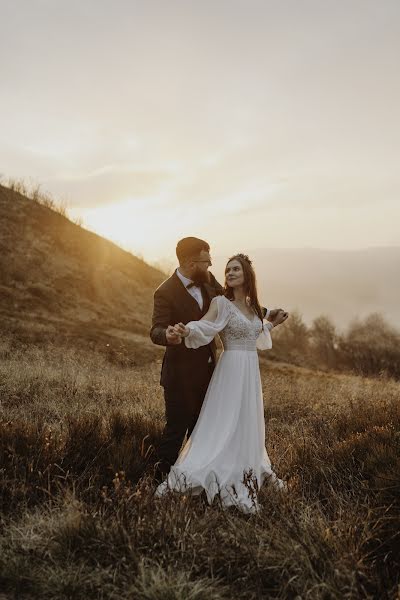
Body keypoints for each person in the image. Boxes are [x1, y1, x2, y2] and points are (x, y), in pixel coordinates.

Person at [154, 253, 288, 513]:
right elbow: (205, 326)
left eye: (236, 269)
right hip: (230, 371)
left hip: (250, 373)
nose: (230, 273)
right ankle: (205, 470)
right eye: (228, 270)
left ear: (247, 274)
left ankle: (245, 468)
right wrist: (187, 330)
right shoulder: (221, 303)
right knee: (224, 421)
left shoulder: (251, 307)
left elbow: (254, 334)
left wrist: (272, 323)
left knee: (245, 422)